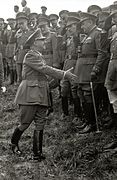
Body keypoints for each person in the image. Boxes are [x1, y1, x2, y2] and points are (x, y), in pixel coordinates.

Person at [10, 28, 78, 161]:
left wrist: (59, 79)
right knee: (25, 123)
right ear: (35, 42)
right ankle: (13, 144)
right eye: (42, 40)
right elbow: (45, 69)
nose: (44, 42)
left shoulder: (38, 56)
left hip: (41, 94)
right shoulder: (30, 55)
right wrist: (64, 74)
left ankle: (37, 153)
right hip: (29, 95)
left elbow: (44, 76)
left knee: (40, 123)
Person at [74, 12, 109, 133]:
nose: (82, 27)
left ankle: (92, 124)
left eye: (83, 24)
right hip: (82, 71)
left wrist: (96, 69)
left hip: (90, 71)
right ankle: (87, 121)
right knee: (83, 95)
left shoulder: (98, 33)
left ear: (90, 22)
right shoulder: (87, 35)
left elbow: (102, 53)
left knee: (89, 96)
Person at [15, 12, 33, 83]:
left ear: (26, 22)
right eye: (19, 24)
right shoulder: (18, 33)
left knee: (26, 76)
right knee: (19, 75)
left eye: (22, 23)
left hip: (27, 56)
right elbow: (17, 45)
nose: (20, 25)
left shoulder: (31, 33)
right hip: (19, 56)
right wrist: (15, 54)